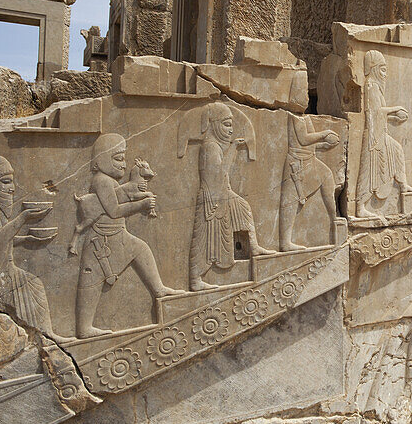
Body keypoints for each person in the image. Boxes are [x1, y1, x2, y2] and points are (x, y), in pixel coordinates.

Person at [72, 133, 183, 338]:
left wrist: (133, 190)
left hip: (117, 234)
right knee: (91, 282)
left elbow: (118, 196)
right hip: (103, 239)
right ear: (102, 159)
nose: (123, 164)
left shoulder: (109, 182)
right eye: (117, 158)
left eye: (124, 158)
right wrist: (140, 204)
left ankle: (158, 289)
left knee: (141, 249)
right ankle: (84, 328)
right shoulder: (102, 181)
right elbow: (113, 210)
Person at [0, 154, 66, 340]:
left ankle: (45, 337)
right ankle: (46, 338)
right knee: (33, 285)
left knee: (33, 286)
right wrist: (23, 217)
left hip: (0, 268)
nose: (12, 188)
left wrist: (27, 238)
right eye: (5, 182)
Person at [185, 102, 269, 292]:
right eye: (226, 124)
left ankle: (253, 247)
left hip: (221, 193)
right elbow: (219, 174)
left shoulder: (214, 146)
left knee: (243, 207)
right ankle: (195, 279)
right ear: (214, 124)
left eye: (231, 124)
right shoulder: (210, 147)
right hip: (212, 198)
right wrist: (233, 150)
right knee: (203, 237)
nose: (231, 129)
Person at [356, 50, 412, 217]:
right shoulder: (371, 85)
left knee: (396, 149)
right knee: (367, 170)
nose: (385, 74)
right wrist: (394, 110)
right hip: (373, 135)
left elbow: (380, 113)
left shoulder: (376, 87)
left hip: (380, 132)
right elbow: (376, 113)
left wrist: (393, 116)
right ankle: (360, 206)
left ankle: (403, 184)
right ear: (373, 69)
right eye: (382, 69)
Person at [279, 114, 340, 251]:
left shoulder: (304, 117)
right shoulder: (294, 117)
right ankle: (285, 242)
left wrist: (325, 145)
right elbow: (303, 139)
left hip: (310, 160)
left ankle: (334, 218)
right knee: (290, 202)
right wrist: (324, 134)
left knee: (327, 175)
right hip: (296, 162)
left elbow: (309, 145)